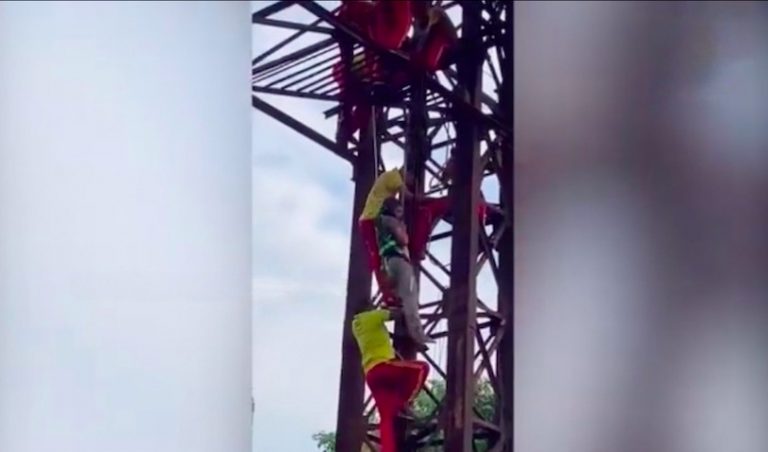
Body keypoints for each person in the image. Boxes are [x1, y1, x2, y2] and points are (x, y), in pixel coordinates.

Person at [352, 306, 429, 452]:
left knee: (386, 420)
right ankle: (406, 401)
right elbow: (398, 314)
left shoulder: (356, 326)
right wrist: (392, 306)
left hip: (371, 375)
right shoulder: (373, 316)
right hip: (384, 368)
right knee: (422, 368)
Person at [377, 197, 433, 349]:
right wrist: (403, 230)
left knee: (396, 300)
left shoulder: (379, 222)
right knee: (410, 297)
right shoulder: (393, 222)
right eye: (399, 211)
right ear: (393, 210)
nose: (401, 214)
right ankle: (418, 336)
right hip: (400, 262)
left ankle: (392, 317)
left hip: (387, 263)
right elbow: (403, 240)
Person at [358, 167, 418, 302]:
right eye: (410, 178)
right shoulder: (394, 176)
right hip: (372, 219)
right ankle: (388, 294)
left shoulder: (389, 178)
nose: (411, 182)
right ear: (405, 172)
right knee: (378, 257)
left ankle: (389, 292)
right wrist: (423, 199)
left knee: (381, 256)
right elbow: (407, 196)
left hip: (372, 220)